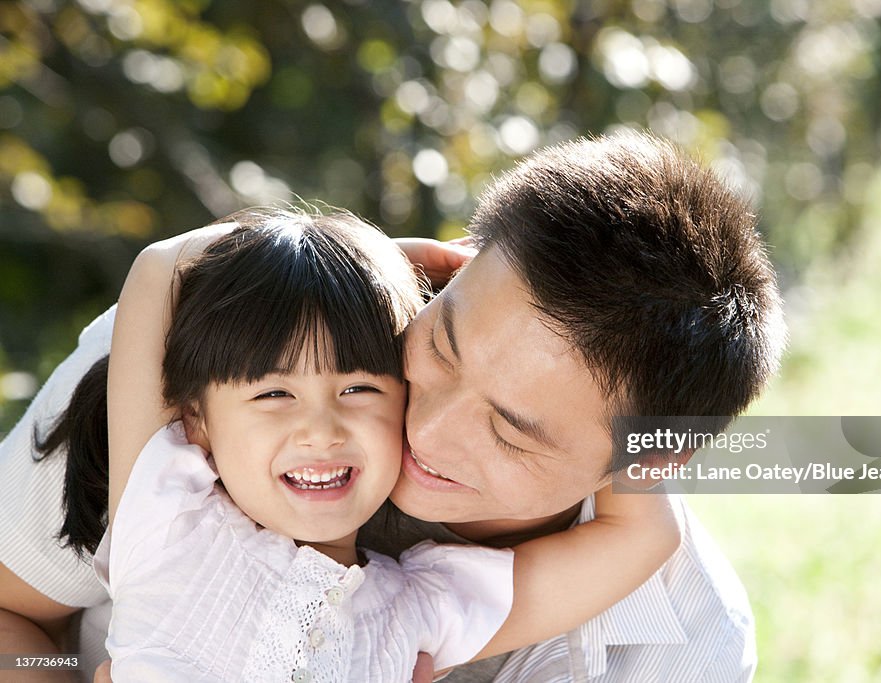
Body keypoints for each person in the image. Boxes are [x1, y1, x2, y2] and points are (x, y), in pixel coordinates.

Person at [0, 132, 785, 682]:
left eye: (511, 430)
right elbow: (11, 619)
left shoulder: (688, 647)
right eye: (441, 345)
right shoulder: (208, 375)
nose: (428, 429)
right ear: (454, 272)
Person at [93, 207, 675, 681]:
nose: (321, 430)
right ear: (196, 424)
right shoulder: (167, 527)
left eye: (358, 387)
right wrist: (342, 262)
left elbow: (642, 535)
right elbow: (162, 266)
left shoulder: (413, 612)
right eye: (273, 395)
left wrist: (649, 408)